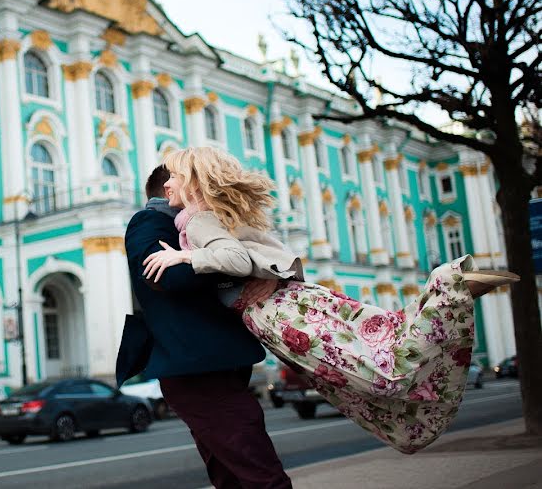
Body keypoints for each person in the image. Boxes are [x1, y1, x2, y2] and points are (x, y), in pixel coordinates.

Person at [143, 146, 520, 454]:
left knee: (377, 375)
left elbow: (236, 259)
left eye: (174, 175)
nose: (168, 183)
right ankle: (448, 292)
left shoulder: (196, 220)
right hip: (296, 301)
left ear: (192, 181)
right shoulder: (214, 214)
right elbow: (258, 254)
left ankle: (447, 287)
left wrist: (186, 256)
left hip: (279, 315)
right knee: (382, 335)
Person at [116, 165, 292, 489]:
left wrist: (261, 274)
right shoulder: (150, 222)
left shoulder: (197, 225)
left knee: (231, 470)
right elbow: (166, 277)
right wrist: (232, 265)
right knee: (259, 470)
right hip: (195, 366)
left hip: (215, 361)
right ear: (169, 190)